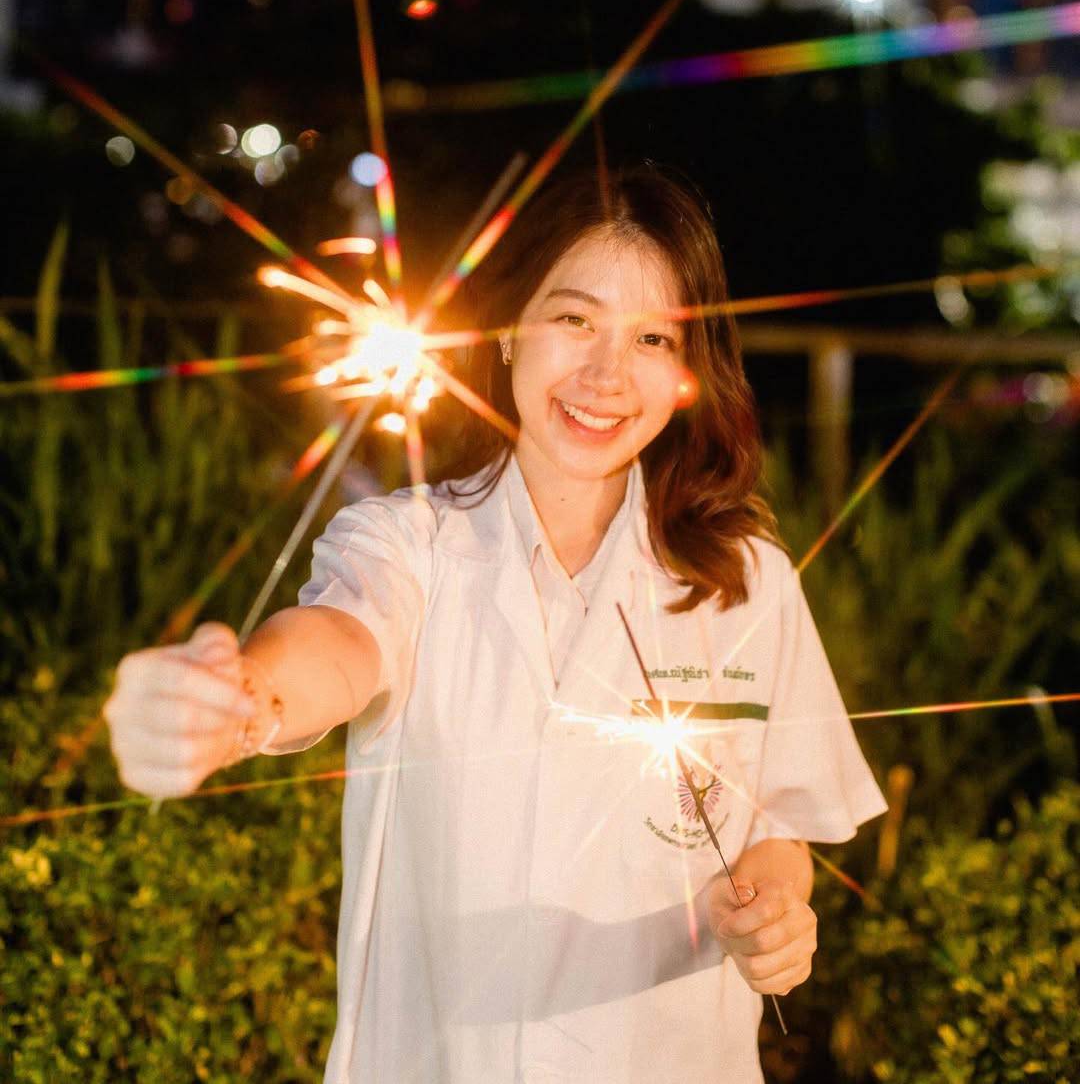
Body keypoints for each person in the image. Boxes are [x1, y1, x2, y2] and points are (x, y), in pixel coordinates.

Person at [105, 166, 886, 1084]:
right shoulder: (408, 545)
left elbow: (779, 823)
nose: (605, 374)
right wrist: (241, 700)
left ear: (686, 369)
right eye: (574, 319)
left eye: (650, 337)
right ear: (508, 328)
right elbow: (340, 643)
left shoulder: (746, 581)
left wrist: (775, 912)